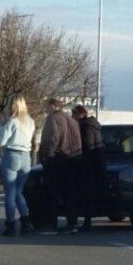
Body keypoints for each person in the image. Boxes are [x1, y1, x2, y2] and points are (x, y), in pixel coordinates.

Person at [39, 98, 83, 234]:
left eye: (47, 107)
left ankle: (51, 224)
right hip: (73, 158)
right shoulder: (72, 120)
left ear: (52, 106)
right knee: (69, 194)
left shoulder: (53, 119)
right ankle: (72, 223)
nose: (46, 110)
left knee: (51, 193)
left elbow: (51, 139)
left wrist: (47, 156)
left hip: (57, 160)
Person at [0, 94, 36, 236]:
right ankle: (26, 222)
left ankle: (10, 225)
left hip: (12, 155)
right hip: (26, 157)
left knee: (10, 193)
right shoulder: (30, 121)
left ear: (13, 105)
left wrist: (0, 128)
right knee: (19, 191)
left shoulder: (12, 121)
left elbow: (1, 142)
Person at [71, 105, 107, 232]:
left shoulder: (85, 127)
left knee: (85, 195)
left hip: (87, 166)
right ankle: (87, 220)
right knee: (90, 194)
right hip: (97, 165)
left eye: (73, 115)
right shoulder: (95, 126)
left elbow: (87, 146)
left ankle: (86, 221)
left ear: (79, 114)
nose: (72, 118)